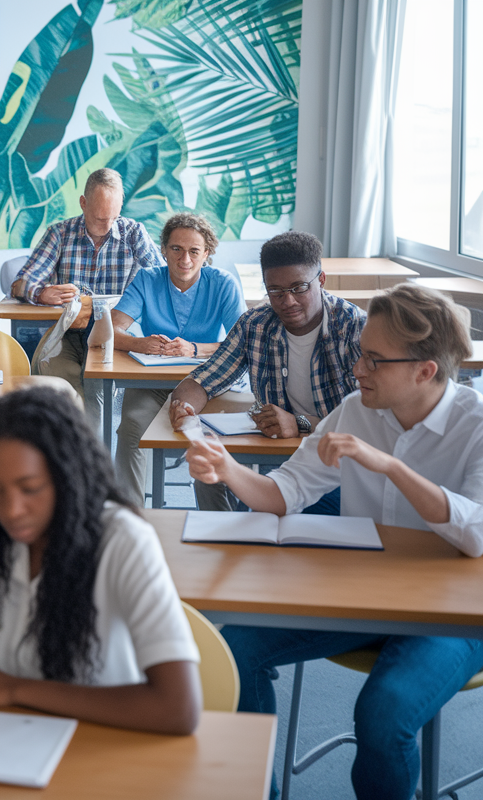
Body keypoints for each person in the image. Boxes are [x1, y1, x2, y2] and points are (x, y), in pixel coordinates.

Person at [185, 284, 483, 800]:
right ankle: (264, 792)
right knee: (235, 650)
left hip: (454, 617)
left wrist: (389, 465)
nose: (357, 369)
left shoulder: (475, 425)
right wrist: (229, 469)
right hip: (364, 600)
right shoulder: (356, 409)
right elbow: (285, 492)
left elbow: (476, 535)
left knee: (382, 712)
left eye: (372, 360)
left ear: (425, 370)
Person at [0, 386, 201, 752]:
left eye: (31, 488)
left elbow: (178, 708)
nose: (11, 510)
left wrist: (14, 689)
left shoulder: (123, 539)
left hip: (108, 744)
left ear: (67, 477)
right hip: (11, 743)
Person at [170, 231, 365, 512]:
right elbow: (204, 379)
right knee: (211, 473)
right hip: (275, 453)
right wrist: (183, 406)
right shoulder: (256, 324)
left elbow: (371, 419)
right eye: (275, 291)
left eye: (299, 288)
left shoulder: (355, 328)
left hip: (339, 463)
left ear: (320, 280)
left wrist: (300, 423)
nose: (287, 301)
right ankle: (226, 545)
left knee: (296, 516)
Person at [110, 212, 243, 506]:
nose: (185, 259)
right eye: (176, 249)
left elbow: (241, 344)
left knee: (213, 438)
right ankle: (130, 513)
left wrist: (194, 349)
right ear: (163, 250)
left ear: (206, 253)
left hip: (207, 385)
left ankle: (219, 520)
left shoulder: (223, 283)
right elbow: (107, 331)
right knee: (131, 427)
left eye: (194, 251)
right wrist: (139, 343)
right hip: (151, 385)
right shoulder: (147, 279)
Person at [11, 168, 165, 409]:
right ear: (83, 203)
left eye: (114, 218)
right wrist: (41, 293)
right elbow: (21, 283)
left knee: (100, 392)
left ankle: (94, 440)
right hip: (70, 333)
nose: (108, 226)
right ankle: (73, 440)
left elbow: (162, 280)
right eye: (100, 218)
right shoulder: (60, 233)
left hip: (116, 335)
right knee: (62, 392)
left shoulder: (133, 232)